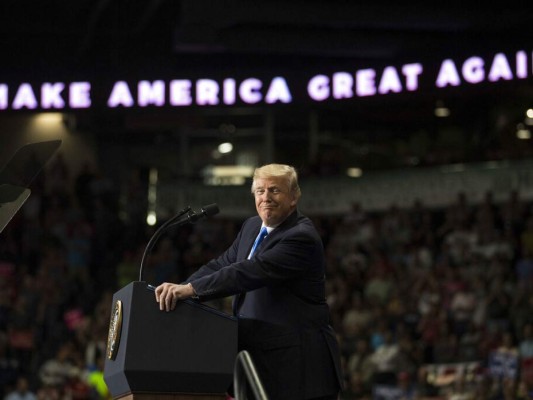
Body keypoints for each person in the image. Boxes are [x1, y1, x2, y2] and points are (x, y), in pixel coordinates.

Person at [155, 163, 343, 399]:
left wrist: (191, 290)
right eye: (260, 191)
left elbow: (250, 271)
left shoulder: (300, 236)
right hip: (259, 361)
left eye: (275, 190)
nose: (266, 198)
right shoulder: (252, 226)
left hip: (298, 368)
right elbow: (223, 264)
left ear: (294, 197)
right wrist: (180, 288)